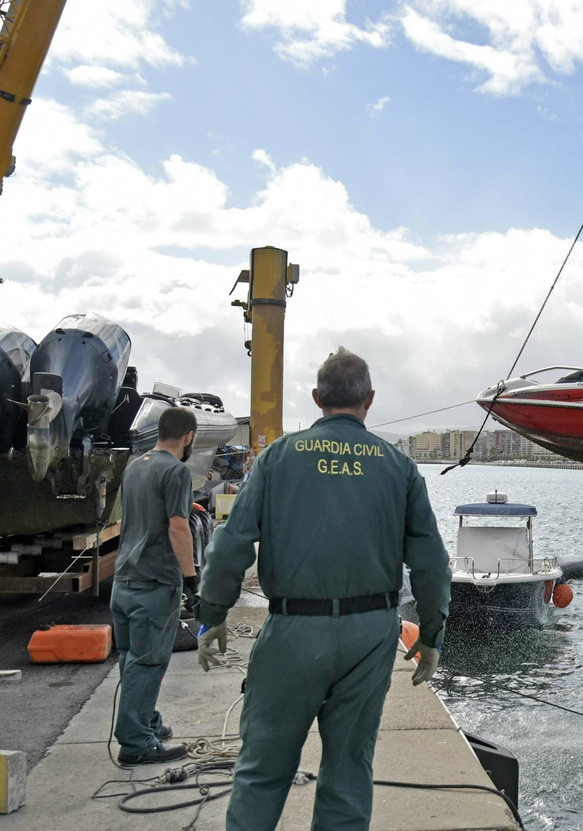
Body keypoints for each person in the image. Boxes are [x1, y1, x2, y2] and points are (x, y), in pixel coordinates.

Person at [196, 347, 451, 831]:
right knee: (349, 770)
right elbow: (431, 562)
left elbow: (230, 545)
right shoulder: (399, 467)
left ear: (317, 397)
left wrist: (212, 614)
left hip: (293, 632)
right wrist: (432, 635)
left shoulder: (277, 458)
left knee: (262, 771)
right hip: (370, 635)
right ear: (369, 399)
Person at [111, 405, 199, 765]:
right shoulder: (176, 471)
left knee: (131, 658)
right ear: (189, 437)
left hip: (124, 580)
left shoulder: (135, 466)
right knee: (148, 663)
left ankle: (146, 720)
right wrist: (191, 580)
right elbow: (178, 528)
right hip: (154, 582)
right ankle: (136, 743)